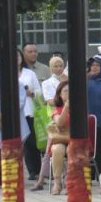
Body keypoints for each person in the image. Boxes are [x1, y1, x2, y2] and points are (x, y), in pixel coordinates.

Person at [32, 81, 70, 193]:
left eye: (70, 91)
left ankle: (69, 181)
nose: (68, 94)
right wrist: (66, 108)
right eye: (65, 91)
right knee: (57, 149)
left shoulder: (80, 108)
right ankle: (57, 182)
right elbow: (60, 123)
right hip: (61, 139)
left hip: (75, 140)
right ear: (60, 95)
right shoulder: (57, 110)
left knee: (70, 149)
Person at [18, 49, 44, 181]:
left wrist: (31, 92)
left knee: (31, 143)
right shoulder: (2, 73)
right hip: (11, 113)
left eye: (17, 56)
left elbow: (39, 92)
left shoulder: (30, 73)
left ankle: (35, 171)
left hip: (29, 111)